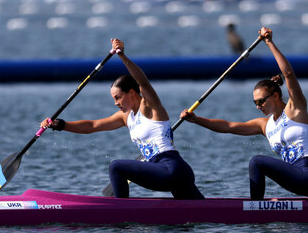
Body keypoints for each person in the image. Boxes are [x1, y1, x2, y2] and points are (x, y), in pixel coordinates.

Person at [180, 27, 308, 200]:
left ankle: (255, 208)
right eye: (255, 103)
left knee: (257, 162)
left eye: (261, 101)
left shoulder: (296, 109)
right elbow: (228, 126)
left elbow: (288, 74)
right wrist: (197, 120)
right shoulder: (264, 125)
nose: (258, 106)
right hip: (301, 180)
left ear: (275, 96)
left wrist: (268, 42)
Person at [41, 39, 204, 200]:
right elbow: (93, 125)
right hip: (174, 173)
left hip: (171, 169)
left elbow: (143, 82)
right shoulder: (125, 117)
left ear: (132, 92)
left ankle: (120, 215)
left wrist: (122, 56)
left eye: (118, 97)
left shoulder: (149, 107)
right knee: (199, 214)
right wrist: (60, 124)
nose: (115, 103)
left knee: (116, 166)